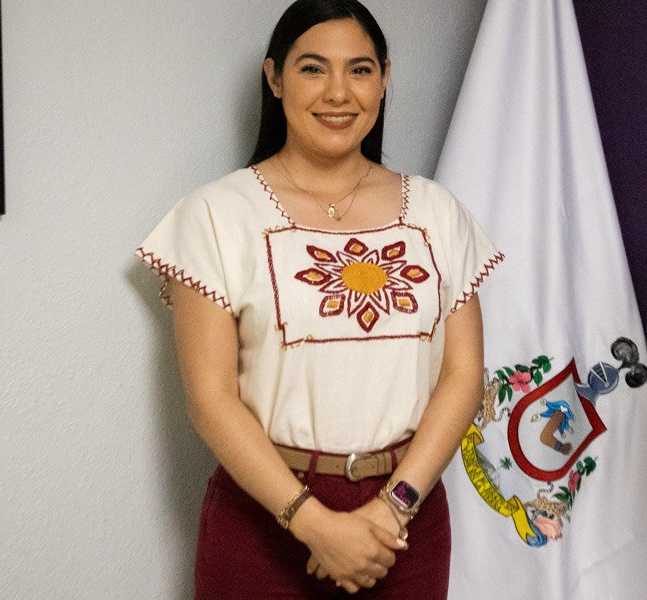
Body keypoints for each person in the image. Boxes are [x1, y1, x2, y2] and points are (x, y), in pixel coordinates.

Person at [135, 0, 504, 598]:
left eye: (360, 69)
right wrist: (315, 526)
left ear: (384, 79)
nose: (338, 92)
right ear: (275, 78)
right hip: (263, 520)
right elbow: (210, 399)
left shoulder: (438, 212)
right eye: (312, 68)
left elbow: (463, 376)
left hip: (404, 523)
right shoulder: (215, 216)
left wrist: (393, 508)